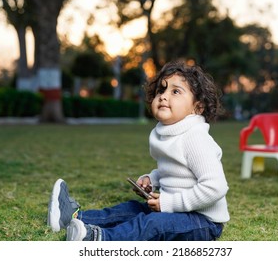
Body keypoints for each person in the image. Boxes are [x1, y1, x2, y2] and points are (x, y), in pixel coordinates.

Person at [47, 60, 230, 241]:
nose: (164, 96)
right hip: (174, 210)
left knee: (152, 224)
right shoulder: (169, 133)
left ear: (197, 107)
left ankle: (101, 239)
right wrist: (153, 178)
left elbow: (215, 187)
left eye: (175, 91)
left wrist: (168, 203)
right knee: (132, 209)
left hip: (202, 221)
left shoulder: (195, 138)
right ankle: (74, 218)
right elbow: (177, 170)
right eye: (161, 90)